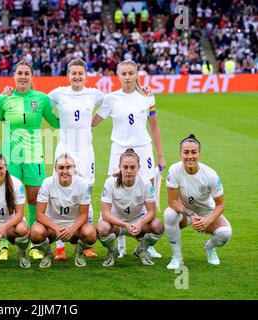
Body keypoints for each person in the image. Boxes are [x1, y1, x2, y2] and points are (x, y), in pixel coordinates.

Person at [92, 59, 165, 259]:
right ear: (118, 76)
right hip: (119, 149)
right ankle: (121, 242)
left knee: (147, 190)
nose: (127, 77)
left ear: (136, 74)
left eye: (130, 73)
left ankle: (146, 244)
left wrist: (160, 155)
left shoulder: (147, 97)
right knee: (117, 190)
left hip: (143, 149)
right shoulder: (111, 98)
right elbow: (94, 121)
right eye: (123, 73)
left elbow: (155, 126)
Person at [0, 60, 60, 261]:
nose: (22, 76)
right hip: (10, 158)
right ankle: (3, 245)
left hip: (34, 156)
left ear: (31, 76)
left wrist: (79, 115)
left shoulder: (42, 99)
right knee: (8, 200)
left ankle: (33, 244)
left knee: (32, 200)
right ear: (14, 76)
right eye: (19, 73)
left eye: (26, 73)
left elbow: (56, 122)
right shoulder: (5, 100)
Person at [48, 58, 105, 260]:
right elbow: (42, 104)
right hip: (64, 149)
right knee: (59, 193)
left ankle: (85, 244)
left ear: (85, 76)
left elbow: (111, 103)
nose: (77, 76)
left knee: (86, 193)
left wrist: (94, 123)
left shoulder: (94, 94)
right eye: (73, 73)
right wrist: (56, 122)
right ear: (68, 74)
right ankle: (60, 247)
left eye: (80, 73)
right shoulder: (59, 93)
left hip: (85, 152)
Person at [164, 134, 232, 269]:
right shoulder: (174, 170)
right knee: (169, 214)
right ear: (180, 153)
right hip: (185, 212)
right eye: (186, 152)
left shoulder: (210, 175)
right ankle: (177, 256)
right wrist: (189, 213)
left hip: (207, 212)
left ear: (199, 153)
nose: (190, 156)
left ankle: (209, 248)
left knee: (225, 234)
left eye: (194, 152)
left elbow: (221, 205)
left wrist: (207, 220)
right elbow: (172, 201)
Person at [96, 148, 164, 267]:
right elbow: (105, 214)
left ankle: (141, 250)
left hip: (137, 223)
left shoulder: (146, 183)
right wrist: (125, 225)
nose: (129, 171)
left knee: (158, 226)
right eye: (125, 167)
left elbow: (151, 212)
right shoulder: (110, 182)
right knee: (102, 228)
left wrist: (140, 224)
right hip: (116, 224)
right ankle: (112, 251)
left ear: (139, 167)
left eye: (133, 167)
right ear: (119, 167)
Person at [29, 153, 97, 268]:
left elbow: (84, 215)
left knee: (90, 234)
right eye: (61, 168)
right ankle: (48, 253)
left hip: (74, 227)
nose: (65, 171)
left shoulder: (83, 184)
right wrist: (57, 229)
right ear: (55, 169)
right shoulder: (47, 183)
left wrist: (71, 230)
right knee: (35, 232)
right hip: (52, 227)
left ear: (74, 169)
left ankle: (78, 252)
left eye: (68, 167)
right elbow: (39, 214)